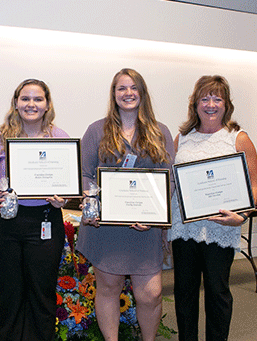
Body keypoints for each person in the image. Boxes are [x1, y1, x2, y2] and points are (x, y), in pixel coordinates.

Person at [76, 68, 174, 341]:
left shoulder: (160, 131)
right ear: (114, 94)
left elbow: (170, 181)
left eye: (133, 88)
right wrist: (92, 201)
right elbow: (84, 173)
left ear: (142, 93)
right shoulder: (97, 130)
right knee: (108, 288)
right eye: (121, 88)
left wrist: (155, 216)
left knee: (151, 293)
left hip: (146, 227)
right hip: (107, 227)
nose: (128, 93)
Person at [0, 79, 69, 341]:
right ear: (16, 103)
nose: (31, 104)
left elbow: (70, 186)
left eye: (38, 99)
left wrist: (64, 199)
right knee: (9, 293)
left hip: (45, 223)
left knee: (42, 292)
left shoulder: (60, 138)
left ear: (47, 104)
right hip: (5, 224)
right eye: (25, 99)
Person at [167, 75, 257, 341]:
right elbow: (172, 182)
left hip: (221, 228)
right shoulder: (182, 138)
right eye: (205, 98)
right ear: (195, 103)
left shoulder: (237, 138)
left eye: (217, 98)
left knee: (218, 292)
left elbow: (254, 184)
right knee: (184, 293)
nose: (211, 104)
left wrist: (241, 215)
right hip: (184, 229)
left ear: (226, 104)